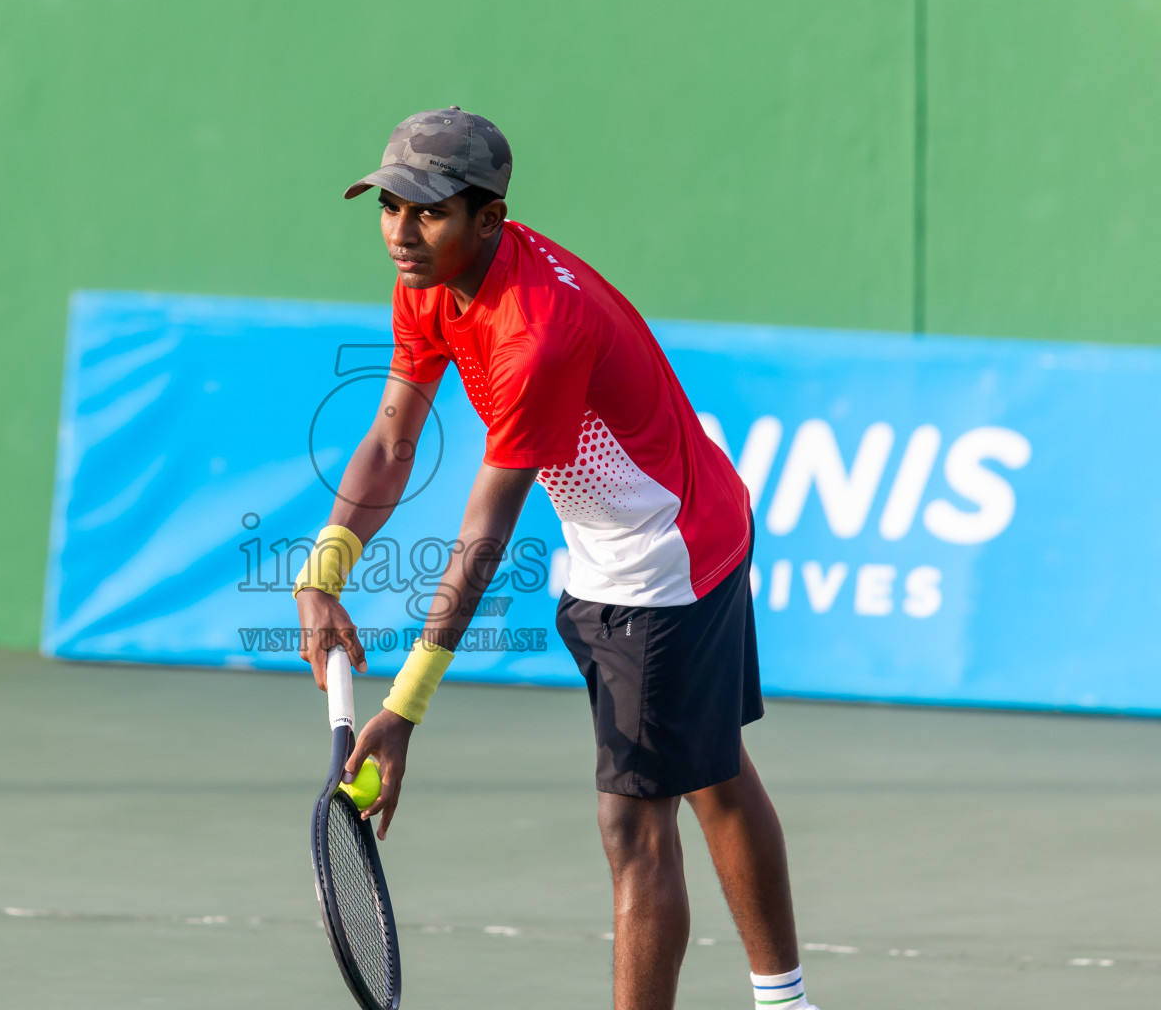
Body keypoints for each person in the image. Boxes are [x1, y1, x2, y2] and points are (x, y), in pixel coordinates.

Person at [293, 107, 817, 1010]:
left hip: (665, 561)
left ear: (489, 217)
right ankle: (789, 1003)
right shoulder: (426, 278)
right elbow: (391, 435)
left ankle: (783, 1000)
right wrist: (322, 570)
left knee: (633, 823)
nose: (400, 231)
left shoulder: (534, 334)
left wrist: (405, 709)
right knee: (712, 769)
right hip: (652, 534)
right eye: (389, 205)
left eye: (426, 211)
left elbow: (484, 534)